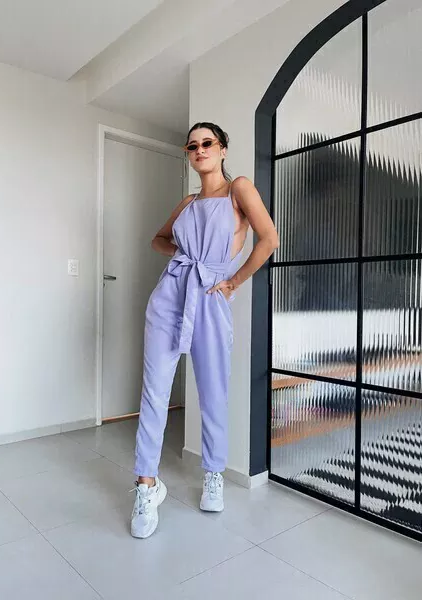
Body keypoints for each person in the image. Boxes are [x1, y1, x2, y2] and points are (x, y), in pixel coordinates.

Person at [131, 122, 279, 538]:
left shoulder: (239, 189)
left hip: (210, 300)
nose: (199, 149)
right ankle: (146, 485)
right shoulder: (188, 202)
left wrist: (233, 281)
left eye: (207, 143)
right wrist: (181, 252)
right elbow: (158, 239)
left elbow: (269, 239)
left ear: (223, 149)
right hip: (169, 297)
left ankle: (214, 474)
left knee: (213, 391)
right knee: (154, 391)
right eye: (192, 145)